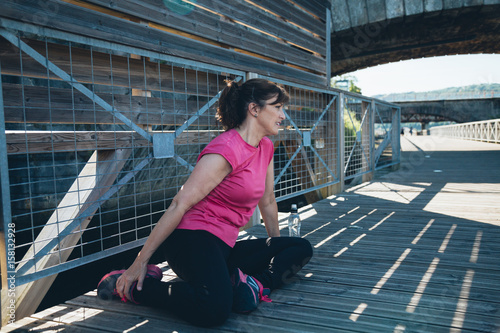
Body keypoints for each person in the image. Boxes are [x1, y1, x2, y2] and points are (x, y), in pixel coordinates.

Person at [97, 78, 313, 327]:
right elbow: (180, 204)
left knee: (299, 248)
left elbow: (268, 201)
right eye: (277, 107)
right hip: (191, 240)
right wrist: (140, 261)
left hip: (225, 246)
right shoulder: (225, 149)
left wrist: (275, 246)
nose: (283, 115)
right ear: (254, 109)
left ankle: (257, 285)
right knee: (214, 309)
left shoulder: (265, 147)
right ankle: (139, 288)